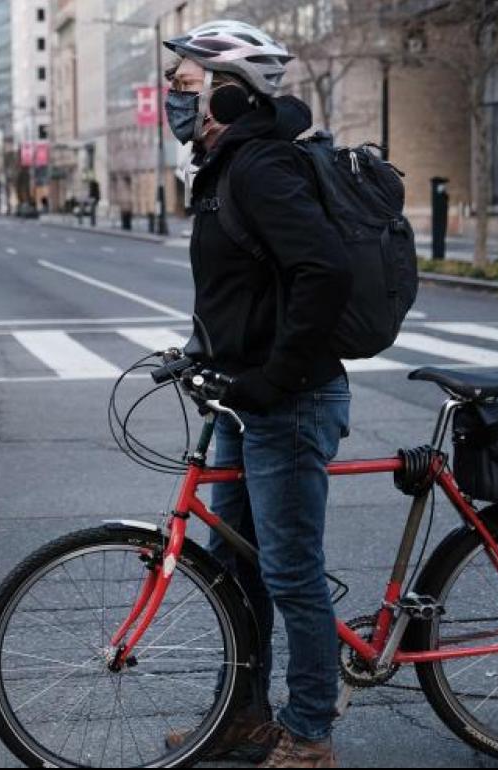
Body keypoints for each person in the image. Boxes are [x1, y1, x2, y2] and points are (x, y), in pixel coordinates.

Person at [159, 20, 352, 769]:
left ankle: (309, 735)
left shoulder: (263, 165)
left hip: (289, 400)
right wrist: (199, 355)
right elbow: (245, 284)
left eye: (186, 87)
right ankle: (244, 716)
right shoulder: (228, 164)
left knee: (289, 570)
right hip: (247, 397)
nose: (176, 99)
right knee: (234, 565)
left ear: (231, 94)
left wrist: (276, 375)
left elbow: (324, 272)